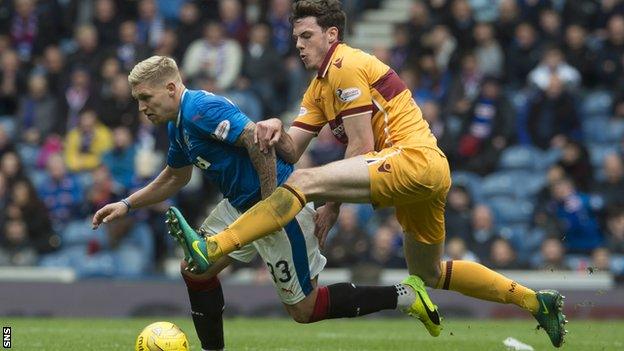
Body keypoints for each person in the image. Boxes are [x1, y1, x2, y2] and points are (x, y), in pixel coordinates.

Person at [167, 1, 568, 347]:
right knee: (428, 272)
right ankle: (535, 301)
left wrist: (332, 205)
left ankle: (215, 247)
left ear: (331, 34)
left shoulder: (345, 63)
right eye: (295, 38)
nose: (299, 45)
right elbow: (291, 147)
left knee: (302, 183)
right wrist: (270, 125)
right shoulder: (317, 88)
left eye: (307, 36)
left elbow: (361, 146)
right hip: (423, 176)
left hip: (412, 159)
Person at [92, 56, 443, 351]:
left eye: (145, 98)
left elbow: (257, 141)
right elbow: (175, 177)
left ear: (170, 88)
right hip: (239, 205)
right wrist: (127, 204)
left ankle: (405, 296)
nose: (141, 108)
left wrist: (271, 203)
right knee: (195, 269)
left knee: (304, 309)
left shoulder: (200, 109)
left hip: (277, 202)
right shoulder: (177, 124)